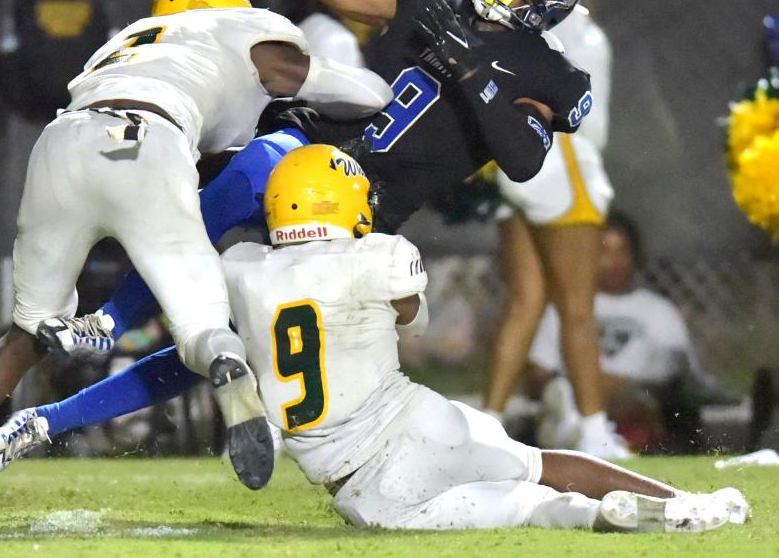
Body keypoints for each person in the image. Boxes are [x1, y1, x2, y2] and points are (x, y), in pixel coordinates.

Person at [0, 0, 597, 472]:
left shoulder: (549, 71)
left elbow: (524, 157)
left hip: (362, 208)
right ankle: (107, 322)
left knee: (224, 341)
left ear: (553, 2)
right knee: (264, 159)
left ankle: (46, 422)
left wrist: (472, 68)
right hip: (310, 150)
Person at [0, 0, 394, 522]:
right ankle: (226, 369)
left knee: (27, 329)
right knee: (203, 329)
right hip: (148, 141)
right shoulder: (240, 29)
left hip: (60, 145)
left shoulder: (124, 42)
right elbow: (370, 93)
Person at [224, 143, 748, 532]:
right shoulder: (377, 256)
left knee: (529, 508)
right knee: (538, 465)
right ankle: (683, 500)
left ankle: (597, 517)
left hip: (361, 485)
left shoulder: (241, 268)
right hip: (422, 422)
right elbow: (411, 318)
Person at [483, 0, 624, 458]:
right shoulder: (576, 24)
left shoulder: (512, 23)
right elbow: (581, 114)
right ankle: (594, 431)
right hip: (566, 162)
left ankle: (489, 423)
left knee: (526, 303)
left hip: (520, 165)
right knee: (578, 307)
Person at [528, 211, 738, 454]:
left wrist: (620, 388)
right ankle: (575, 428)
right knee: (564, 392)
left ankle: (581, 432)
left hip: (641, 399)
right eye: (604, 252)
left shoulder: (659, 310)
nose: (615, 262)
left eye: (622, 251)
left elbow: (681, 374)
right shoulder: (566, 307)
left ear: (635, 256)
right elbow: (538, 374)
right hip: (574, 392)